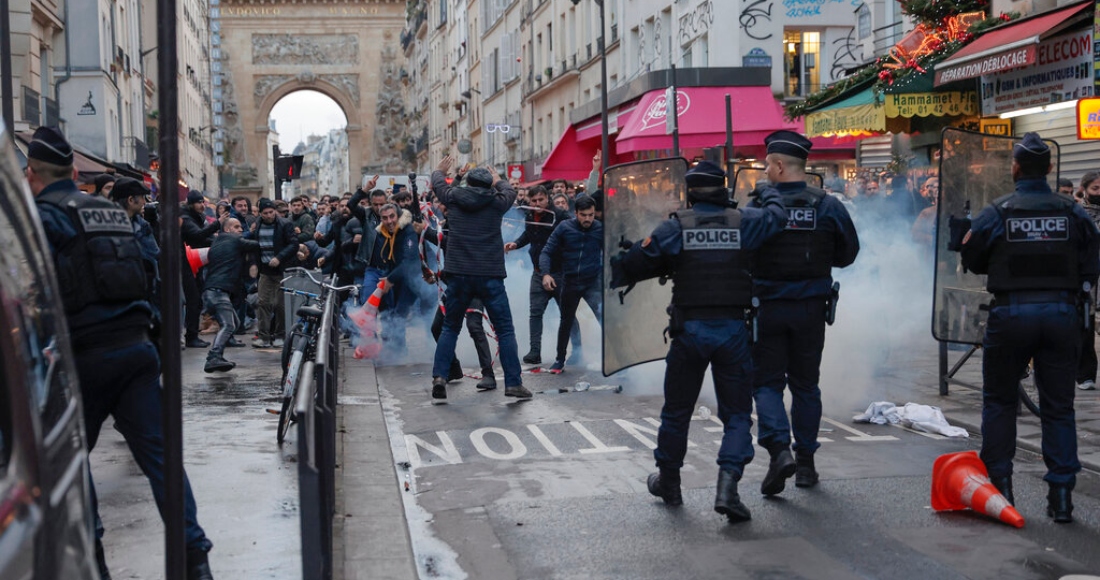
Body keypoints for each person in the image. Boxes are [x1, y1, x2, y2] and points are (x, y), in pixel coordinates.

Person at [25, 127, 215, 579]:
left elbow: (30, 293)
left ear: (32, 174)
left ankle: (93, 558)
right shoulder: (109, 214)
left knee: (69, 465)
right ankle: (196, 559)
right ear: (74, 172)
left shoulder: (41, 218)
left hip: (80, 357)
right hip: (136, 350)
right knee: (162, 460)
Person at [610, 160, 787, 523]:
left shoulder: (676, 227)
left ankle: (670, 483)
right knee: (737, 414)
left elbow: (637, 262)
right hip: (733, 331)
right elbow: (776, 218)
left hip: (689, 332)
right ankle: (728, 487)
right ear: (723, 189)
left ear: (689, 192)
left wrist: (623, 259)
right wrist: (767, 189)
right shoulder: (745, 223)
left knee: (677, 412)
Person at [960, 132, 1100, 523]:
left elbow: (972, 257)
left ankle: (1001, 489)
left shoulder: (998, 211)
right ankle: (1061, 498)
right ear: (1051, 169)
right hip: (1061, 315)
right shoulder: (1072, 212)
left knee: (1000, 401)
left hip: (1011, 316)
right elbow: (1092, 260)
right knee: (1058, 408)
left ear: (1015, 168)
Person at [749, 131, 860, 497]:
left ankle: (779, 450)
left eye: (767, 165)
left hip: (767, 309)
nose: (765, 171)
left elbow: (742, 254)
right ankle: (807, 464)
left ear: (780, 166)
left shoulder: (760, 206)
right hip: (811, 309)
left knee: (767, 383)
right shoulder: (827, 205)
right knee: (806, 385)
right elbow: (848, 254)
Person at [429, 156, 532, 401]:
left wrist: (439, 170)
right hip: (490, 275)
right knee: (505, 330)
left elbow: (438, 185)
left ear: (468, 183)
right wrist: (496, 177)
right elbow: (508, 189)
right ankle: (513, 383)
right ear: (488, 186)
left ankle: (440, 377)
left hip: (460, 274)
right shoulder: (498, 202)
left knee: (450, 328)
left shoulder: (453, 196)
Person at [504, 185, 578, 365]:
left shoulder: (559, 216)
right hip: (538, 272)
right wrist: (516, 244)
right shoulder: (530, 215)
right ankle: (535, 351)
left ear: (547, 199)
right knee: (535, 313)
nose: (537, 204)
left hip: (560, 272)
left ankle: (578, 350)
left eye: (541, 200)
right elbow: (528, 234)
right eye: (534, 201)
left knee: (567, 314)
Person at [539, 194, 603, 372]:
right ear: (576, 213)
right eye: (584, 215)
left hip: (593, 282)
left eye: (591, 215)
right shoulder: (564, 227)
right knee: (566, 321)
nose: (588, 219)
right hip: (570, 281)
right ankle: (560, 359)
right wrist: (546, 274)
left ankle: (616, 360)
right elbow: (546, 252)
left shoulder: (600, 228)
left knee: (605, 320)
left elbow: (613, 250)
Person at [203, 217, 260, 372]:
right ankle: (213, 357)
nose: (240, 230)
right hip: (218, 291)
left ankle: (219, 354)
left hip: (212, 291)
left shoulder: (217, 242)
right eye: (236, 227)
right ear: (227, 229)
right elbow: (255, 245)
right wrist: (258, 233)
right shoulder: (233, 240)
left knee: (232, 322)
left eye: (241, 227)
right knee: (229, 325)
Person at [252, 198, 299, 348]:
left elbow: (294, 244)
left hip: (282, 269)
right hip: (265, 270)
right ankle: (264, 336)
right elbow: (254, 244)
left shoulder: (285, 224)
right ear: (260, 213)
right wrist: (254, 263)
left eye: (271, 212)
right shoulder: (258, 224)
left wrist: (279, 257)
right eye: (265, 213)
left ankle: (280, 335)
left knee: (280, 305)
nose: (269, 215)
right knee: (263, 303)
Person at [181, 189, 219, 348]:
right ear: (191, 203)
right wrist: (217, 224)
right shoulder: (186, 218)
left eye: (203, 202)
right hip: (185, 263)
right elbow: (197, 236)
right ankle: (191, 336)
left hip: (193, 263)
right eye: (199, 202)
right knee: (192, 299)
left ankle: (192, 334)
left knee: (195, 299)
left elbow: (203, 238)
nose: (202, 205)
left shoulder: (196, 216)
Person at [1076, 171, 1100, 391]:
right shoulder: (1077, 214)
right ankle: (1085, 374)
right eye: (1095, 189)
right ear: (1083, 189)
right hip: (1088, 277)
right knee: (1086, 325)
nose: (1099, 193)